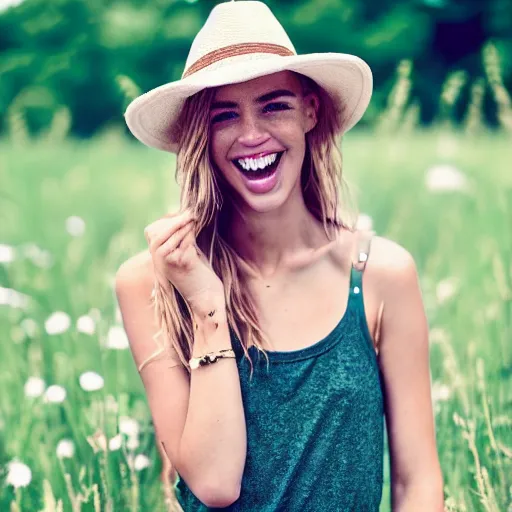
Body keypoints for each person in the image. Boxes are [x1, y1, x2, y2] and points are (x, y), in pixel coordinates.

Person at [116, 1, 444, 510]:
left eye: (274, 106)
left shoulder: (379, 275)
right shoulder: (152, 282)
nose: (251, 136)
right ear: (200, 136)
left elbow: (416, 482)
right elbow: (214, 483)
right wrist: (206, 302)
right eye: (225, 115)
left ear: (310, 110)